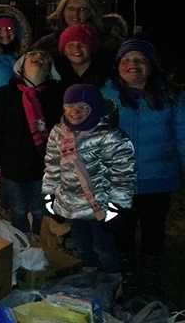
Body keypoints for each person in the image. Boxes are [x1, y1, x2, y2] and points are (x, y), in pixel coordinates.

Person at [102, 38, 185, 296]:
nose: (133, 65)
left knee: (153, 230)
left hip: (157, 178)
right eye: (126, 60)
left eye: (140, 60)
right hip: (119, 180)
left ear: (151, 65)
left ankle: (151, 277)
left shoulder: (171, 96)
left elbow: (182, 135)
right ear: (117, 66)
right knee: (122, 231)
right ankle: (126, 276)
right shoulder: (106, 95)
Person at [43, 84, 135, 273]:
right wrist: (49, 194)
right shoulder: (59, 132)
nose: (75, 112)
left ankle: (112, 281)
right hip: (71, 204)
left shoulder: (111, 137)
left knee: (104, 248)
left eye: (83, 107)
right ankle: (89, 282)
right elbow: (52, 165)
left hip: (101, 206)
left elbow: (123, 174)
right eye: (70, 106)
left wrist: (117, 205)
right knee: (82, 246)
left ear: (96, 108)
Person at [0, 49, 64, 236]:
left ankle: (41, 250)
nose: (39, 58)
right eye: (33, 57)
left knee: (41, 213)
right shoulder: (4, 95)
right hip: (12, 169)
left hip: (45, 170)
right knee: (16, 213)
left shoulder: (57, 96)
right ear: (21, 66)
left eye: (44, 58)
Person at [31, 0, 103, 59]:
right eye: (71, 8)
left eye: (82, 9)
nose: (76, 14)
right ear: (62, 11)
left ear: (90, 13)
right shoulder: (47, 43)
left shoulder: (102, 42)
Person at [56, 24, 109, 89]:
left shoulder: (106, 72)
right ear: (64, 51)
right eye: (71, 45)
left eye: (82, 43)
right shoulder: (57, 75)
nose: (76, 48)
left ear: (91, 46)